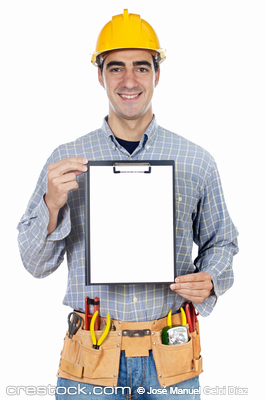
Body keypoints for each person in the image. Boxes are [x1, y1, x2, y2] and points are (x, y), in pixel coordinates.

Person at [17, 9, 239, 399]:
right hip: (91, 357)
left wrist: (211, 278)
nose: (129, 80)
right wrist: (52, 205)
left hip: (172, 353)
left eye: (141, 67)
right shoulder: (67, 159)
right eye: (116, 68)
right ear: (100, 75)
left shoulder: (196, 160)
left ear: (157, 74)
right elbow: (35, 264)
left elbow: (222, 242)